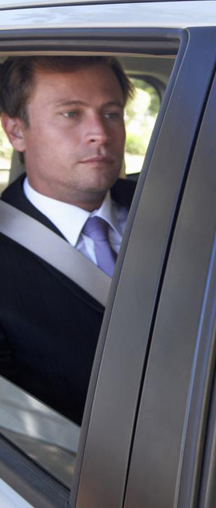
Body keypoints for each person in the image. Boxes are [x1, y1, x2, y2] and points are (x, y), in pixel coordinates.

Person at [0, 56, 135, 424]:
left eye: (111, 113)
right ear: (16, 131)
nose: (100, 134)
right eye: (71, 113)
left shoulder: (177, 210)